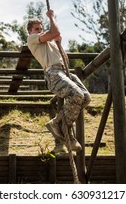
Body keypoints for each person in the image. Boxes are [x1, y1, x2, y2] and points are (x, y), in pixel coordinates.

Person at [27, 9, 91, 151]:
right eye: (37, 29)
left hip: (63, 71)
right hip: (53, 72)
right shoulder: (32, 40)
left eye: (42, 29)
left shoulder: (50, 43)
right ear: (30, 32)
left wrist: (59, 44)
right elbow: (54, 32)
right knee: (77, 95)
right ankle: (66, 130)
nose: (40, 31)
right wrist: (51, 17)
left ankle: (57, 122)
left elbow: (65, 61)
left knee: (85, 98)